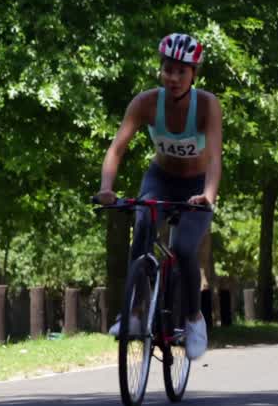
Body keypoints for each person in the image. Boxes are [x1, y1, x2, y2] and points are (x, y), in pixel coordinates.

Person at [95, 33, 222, 360]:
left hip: (197, 185)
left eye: (182, 71)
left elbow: (214, 158)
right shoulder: (145, 103)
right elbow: (117, 148)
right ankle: (135, 312)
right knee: (143, 227)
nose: (173, 78)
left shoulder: (207, 105)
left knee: (184, 249)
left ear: (194, 74)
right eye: (168, 69)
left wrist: (208, 195)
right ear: (160, 70)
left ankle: (194, 319)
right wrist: (106, 188)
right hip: (161, 179)